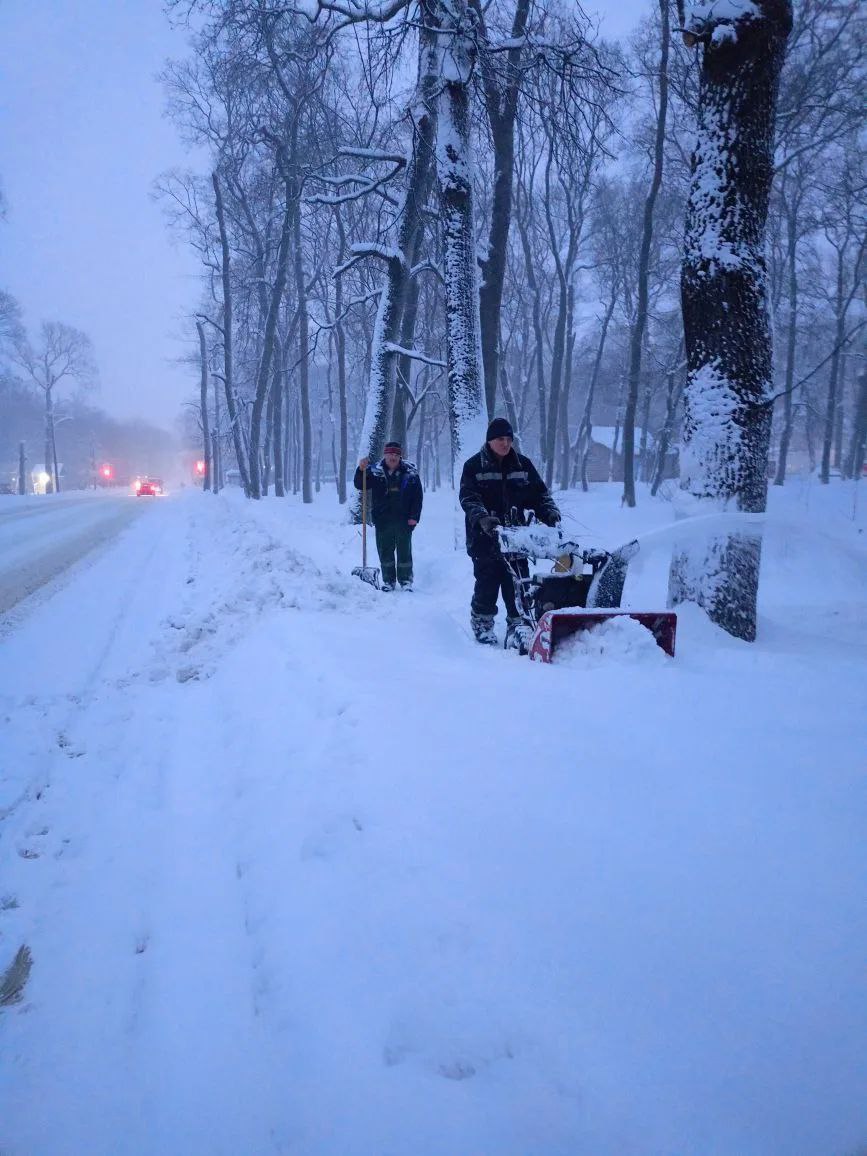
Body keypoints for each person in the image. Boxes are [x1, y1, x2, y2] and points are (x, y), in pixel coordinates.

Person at [459, 417, 560, 647]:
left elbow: (539, 495)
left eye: (508, 439)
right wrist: (483, 518)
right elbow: (469, 497)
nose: (505, 444)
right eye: (500, 439)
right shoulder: (474, 466)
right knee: (487, 582)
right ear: (489, 441)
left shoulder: (522, 465)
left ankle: (519, 623)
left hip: (516, 538)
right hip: (484, 538)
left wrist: (550, 512)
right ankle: (482, 623)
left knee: (519, 582)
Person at [354, 441, 423, 592]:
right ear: (384, 455)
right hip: (383, 519)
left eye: (396, 455)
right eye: (390, 454)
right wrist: (361, 470)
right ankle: (388, 581)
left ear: (400, 456)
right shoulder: (375, 472)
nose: (392, 457)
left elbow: (418, 497)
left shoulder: (410, 473)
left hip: (404, 519)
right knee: (385, 551)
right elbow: (360, 484)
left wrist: (414, 516)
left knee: (404, 551)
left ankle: (405, 581)